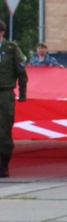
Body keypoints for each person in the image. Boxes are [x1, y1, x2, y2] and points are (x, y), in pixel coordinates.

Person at [0, 23, 28, 179]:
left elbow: (21, 71)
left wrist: (22, 93)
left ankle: (3, 165)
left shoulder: (10, 49)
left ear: (2, 32)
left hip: (4, 93)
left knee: (4, 129)